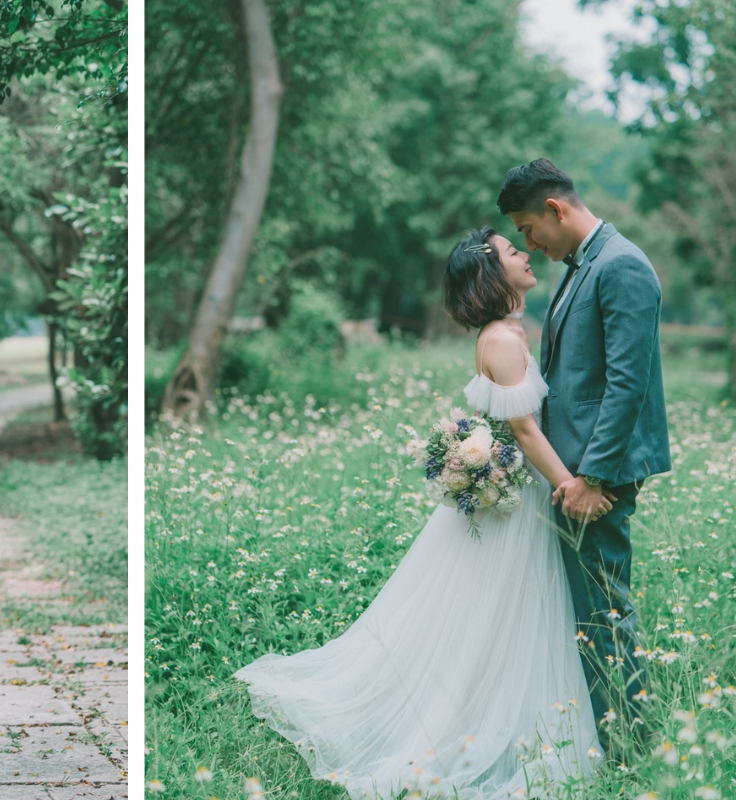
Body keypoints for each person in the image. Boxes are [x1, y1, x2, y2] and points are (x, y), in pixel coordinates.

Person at [236, 228, 603, 799]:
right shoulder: (503, 340)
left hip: (507, 494)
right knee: (493, 616)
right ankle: (474, 724)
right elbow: (526, 431)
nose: (525, 254)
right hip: (516, 502)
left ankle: (495, 709)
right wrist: (571, 486)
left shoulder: (506, 331)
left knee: (492, 618)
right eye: (513, 251)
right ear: (492, 275)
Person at [498, 158, 670, 746]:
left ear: (555, 209)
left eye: (526, 228)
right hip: (570, 473)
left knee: (604, 611)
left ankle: (631, 745)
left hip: (598, 475)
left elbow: (628, 382)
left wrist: (592, 475)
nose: (528, 241)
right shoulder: (578, 265)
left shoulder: (621, 265)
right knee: (588, 610)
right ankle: (608, 736)